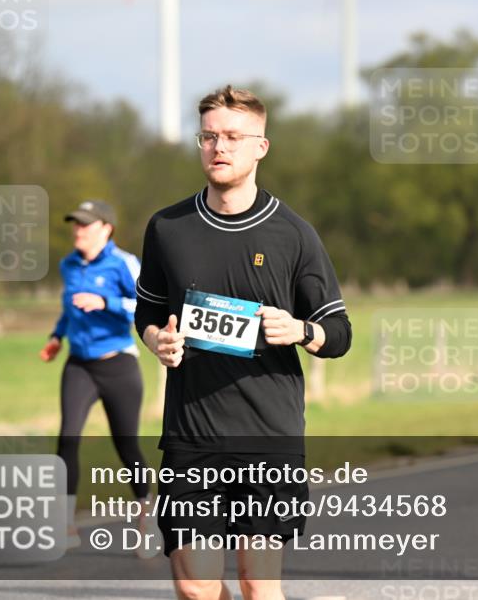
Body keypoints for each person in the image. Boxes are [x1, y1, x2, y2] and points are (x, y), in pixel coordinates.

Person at [134, 85, 352, 600]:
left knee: (257, 586)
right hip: (191, 437)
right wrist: (157, 341)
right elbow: (148, 313)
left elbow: (339, 332)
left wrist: (301, 331)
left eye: (233, 137)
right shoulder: (167, 228)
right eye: (209, 136)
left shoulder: (293, 234)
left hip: (267, 437)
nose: (219, 147)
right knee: (196, 588)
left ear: (261, 147)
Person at [38, 200, 152, 552]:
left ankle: (146, 515)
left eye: (86, 224)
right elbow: (68, 308)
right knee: (68, 438)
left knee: (126, 444)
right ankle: (66, 524)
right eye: (76, 224)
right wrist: (57, 336)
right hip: (79, 365)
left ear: (106, 229)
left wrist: (106, 303)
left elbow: (145, 306)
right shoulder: (68, 265)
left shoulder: (124, 263)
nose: (78, 230)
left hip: (118, 364)